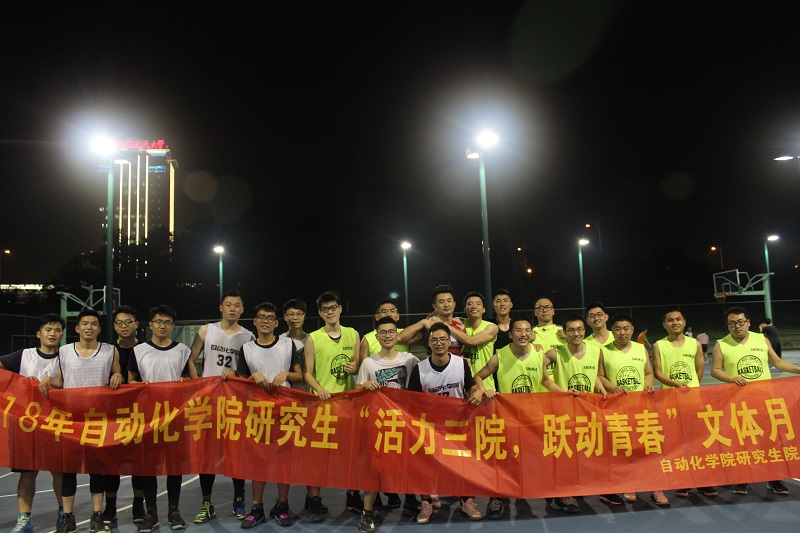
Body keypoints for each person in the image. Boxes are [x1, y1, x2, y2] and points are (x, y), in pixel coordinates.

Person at [472, 316, 575, 518]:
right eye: (518, 330)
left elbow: (545, 380)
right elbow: (479, 376)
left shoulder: (539, 355)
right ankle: (497, 498)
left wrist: (565, 394)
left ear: (532, 334)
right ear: (511, 334)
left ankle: (556, 496)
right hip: (508, 417)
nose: (523, 334)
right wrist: (484, 390)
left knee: (546, 458)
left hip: (534, 417)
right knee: (503, 460)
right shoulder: (500, 355)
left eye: (527, 330)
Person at [221, 301, 303, 528]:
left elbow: (299, 375)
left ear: (276, 323)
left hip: (284, 410)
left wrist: (286, 373)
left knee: (283, 460)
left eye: (270, 318)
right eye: (262, 317)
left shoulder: (288, 345)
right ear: (255, 322)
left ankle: (282, 505)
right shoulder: (246, 349)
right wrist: (252, 377)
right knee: (259, 460)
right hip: (257, 412)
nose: (266, 321)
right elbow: (241, 384)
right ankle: (256, 507)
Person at [41, 309, 124, 533]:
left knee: (97, 470)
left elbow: (117, 376)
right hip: (71, 419)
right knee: (69, 469)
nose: (89, 327)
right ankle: (68, 517)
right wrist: (48, 380)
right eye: (85, 323)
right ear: (77, 328)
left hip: (98, 419)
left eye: (94, 324)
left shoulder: (110, 351)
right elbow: (61, 381)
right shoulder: (64, 351)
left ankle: (96, 516)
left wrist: (118, 375)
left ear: (99, 328)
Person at [711, 306, 800, 496]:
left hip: (765, 401)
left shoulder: (761, 339)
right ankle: (742, 479)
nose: (737, 326)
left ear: (748, 322)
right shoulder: (721, 344)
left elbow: (777, 362)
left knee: (769, 441)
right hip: (739, 404)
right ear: (728, 325)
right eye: (732, 323)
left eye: (740, 322)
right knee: (741, 443)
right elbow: (715, 370)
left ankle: (773, 478)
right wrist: (731, 378)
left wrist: (798, 370)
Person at [188, 290, 254, 523]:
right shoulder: (206, 330)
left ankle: (239, 499)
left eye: (237, 305)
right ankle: (207, 503)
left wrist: (236, 374)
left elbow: (249, 371)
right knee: (206, 454)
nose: (232, 308)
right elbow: (190, 358)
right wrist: (198, 385)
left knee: (236, 453)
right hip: (209, 402)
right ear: (221, 307)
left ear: (242, 309)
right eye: (228, 304)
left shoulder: (248, 336)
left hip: (235, 402)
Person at [407, 323, 482, 523]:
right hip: (430, 427)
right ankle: (426, 503)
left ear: (450, 342)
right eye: (434, 340)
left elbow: (471, 387)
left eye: (443, 339)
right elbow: (412, 401)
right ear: (428, 343)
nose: (439, 343)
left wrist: (477, 392)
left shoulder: (461, 364)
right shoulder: (420, 369)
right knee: (424, 466)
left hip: (457, 425)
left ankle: (466, 501)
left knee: (463, 465)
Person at [128, 305, 192, 532]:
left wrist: (186, 383)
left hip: (175, 417)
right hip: (148, 418)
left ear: (172, 326)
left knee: (174, 465)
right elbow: (130, 381)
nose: (163, 326)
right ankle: (151, 512)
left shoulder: (182, 350)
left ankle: (174, 511)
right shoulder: (139, 350)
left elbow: (191, 379)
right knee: (149, 466)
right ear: (151, 325)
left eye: (167, 322)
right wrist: (139, 385)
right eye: (158, 322)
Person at [1, 314, 66, 533]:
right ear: (39, 334)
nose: (53, 333)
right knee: (28, 473)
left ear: (62, 335)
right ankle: (24, 519)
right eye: (48, 329)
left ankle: (64, 514)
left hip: (57, 424)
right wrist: (17, 384)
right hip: (26, 425)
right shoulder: (23, 356)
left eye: (57, 330)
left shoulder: (66, 358)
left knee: (59, 472)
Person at [355, 316, 420, 532]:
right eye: (383, 332)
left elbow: (425, 377)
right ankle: (367, 512)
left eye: (391, 331)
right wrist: (365, 385)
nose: (387, 336)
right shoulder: (369, 363)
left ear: (397, 334)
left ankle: (411, 499)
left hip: (405, 423)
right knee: (375, 468)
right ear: (377, 336)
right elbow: (357, 392)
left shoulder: (410, 360)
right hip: (379, 425)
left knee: (409, 464)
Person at [304, 291, 362, 521]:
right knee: (317, 457)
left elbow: (359, 365)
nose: (330, 312)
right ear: (320, 313)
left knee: (351, 455)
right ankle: (315, 500)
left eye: (333, 307)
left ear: (340, 309)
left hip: (347, 405)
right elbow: (308, 373)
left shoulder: (352, 334)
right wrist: (319, 389)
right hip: (322, 407)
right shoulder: (313, 338)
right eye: (325, 309)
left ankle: (353, 496)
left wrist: (355, 368)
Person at [598, 314, 668, 506]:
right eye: (618, 329)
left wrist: (648, 385)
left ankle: (656, 488)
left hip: (642, 408)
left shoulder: (640, 348)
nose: (622, 332)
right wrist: (613, 388)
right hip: (618, 409)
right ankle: (630, 485)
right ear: (612, 331)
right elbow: (600, 376)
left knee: (649, 448)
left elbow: (648, 372)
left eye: (626, 328)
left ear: (632, 330)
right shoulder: (604, 351)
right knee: (625, 449)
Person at [651, 309, 716, 498]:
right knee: (678, 445)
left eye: (678, 319)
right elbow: (658, 372)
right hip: (670, 404)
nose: (675, 323)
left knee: (699, 443)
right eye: (670, 320)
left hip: (693, 402)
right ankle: (684, 481)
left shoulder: (694, 344)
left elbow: (699, 369)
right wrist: (676, 384)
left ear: (684, 322)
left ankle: (703, 481)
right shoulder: (659, 346)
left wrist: (691, 388)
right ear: (664, 324)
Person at [102, 305, 146, 525]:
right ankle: (110, 506)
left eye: (128, 322)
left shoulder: (145, 350)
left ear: (136, 324)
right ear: (114, 326)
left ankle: (139, 504)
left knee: (139, 462)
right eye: (119, 323)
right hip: (113, 415)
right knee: (112, 462)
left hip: (140, 415)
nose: (124, 326)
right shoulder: (107, 352)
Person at [451, 292, 499, 390]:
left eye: (478, 304)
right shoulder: (460, 324)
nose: (474, 306)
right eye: (470, 304)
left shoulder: (491, 327)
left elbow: (471, 341)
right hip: (463, 385)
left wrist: (446, 326)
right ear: (465, 309)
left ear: (484, 309)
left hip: (485, 386)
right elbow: (440, 317)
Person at [533, 297, 564, 377]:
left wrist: (569, 338)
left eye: (548, 307)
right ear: (535, 312)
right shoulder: (528, 335)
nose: (545, 310)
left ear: (553, 311)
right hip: (538, 382)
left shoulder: (565, 332)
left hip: (561, 382)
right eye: (540, 308)